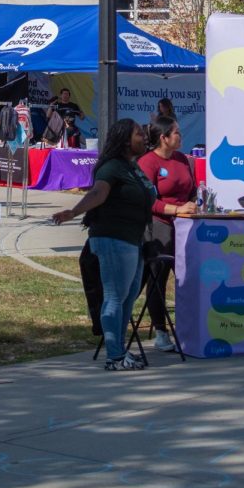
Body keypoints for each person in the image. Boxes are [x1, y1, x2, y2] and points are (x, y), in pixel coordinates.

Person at [53, 118, 155, 370]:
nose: (143, 137)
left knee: (127, 298)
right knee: (114, 296)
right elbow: (98, 193)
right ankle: (114, 357)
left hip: (133, 239)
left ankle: (120, 351)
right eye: (138, 134)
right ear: (124, 140)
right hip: (113, 238)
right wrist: (73, 212)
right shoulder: (111, 167)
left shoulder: (132, 167)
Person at [137, 116, 197, 351]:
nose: (180, 136)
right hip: (159, 225)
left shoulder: (182, 159)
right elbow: (148, 200)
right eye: (176, 133)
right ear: (163, 138)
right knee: (158, 277)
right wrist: (175, 209)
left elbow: (192, 189)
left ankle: (189, 327)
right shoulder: (147, 162)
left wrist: (193, 203)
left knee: (188, 275)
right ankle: (161, 331)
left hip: (186, 224)